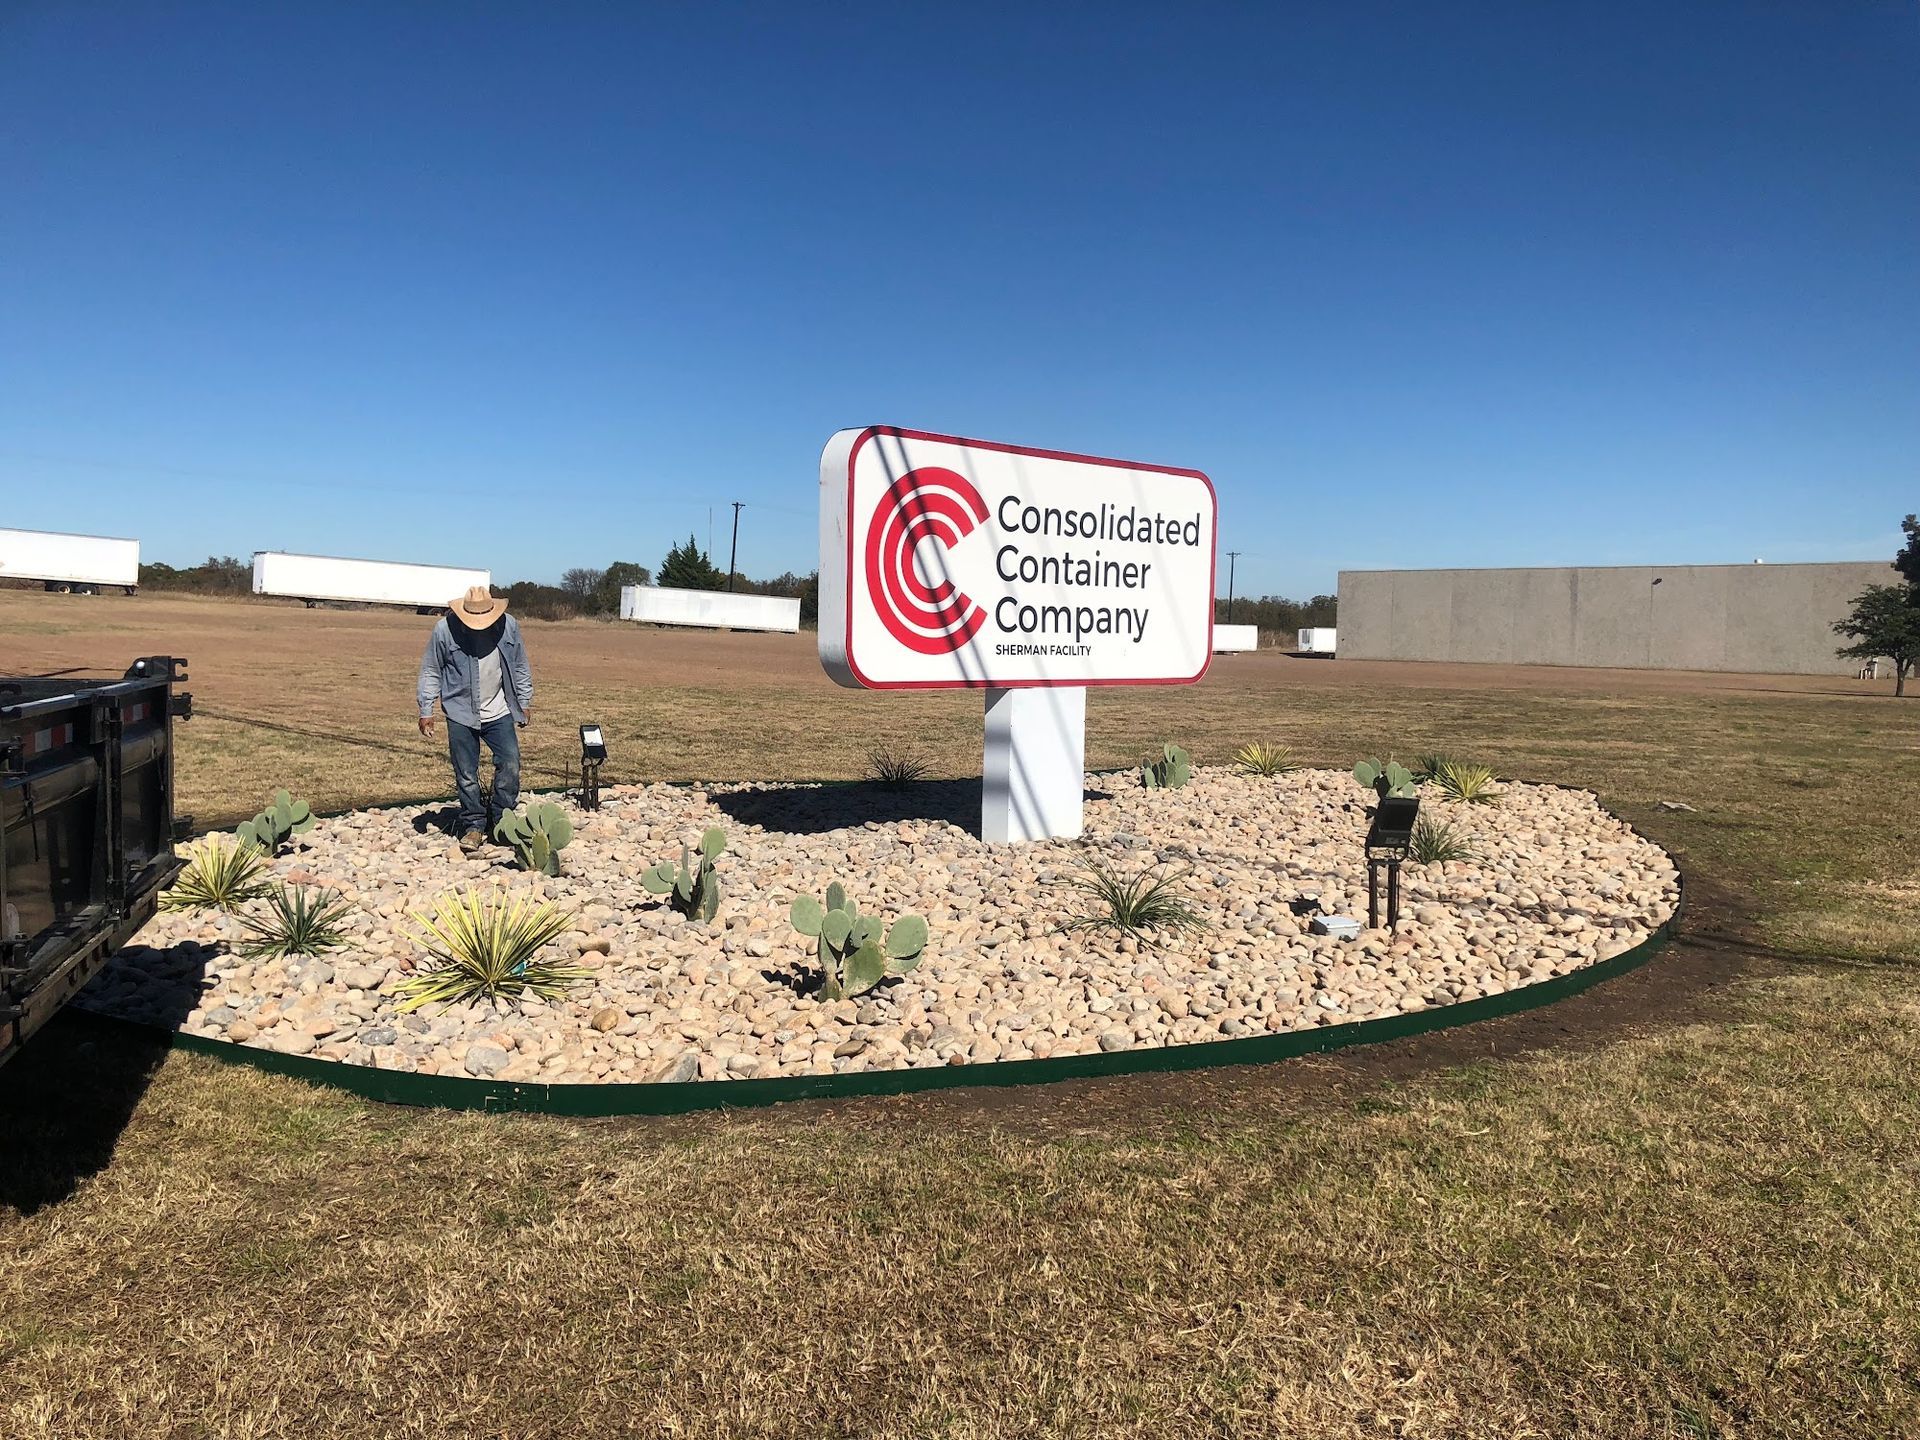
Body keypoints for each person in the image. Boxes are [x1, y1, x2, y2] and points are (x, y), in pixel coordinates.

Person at [416, 585, 534, 852]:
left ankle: (502, 818)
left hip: (499, 709)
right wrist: (426, 710)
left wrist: (524, 701)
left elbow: (519, 664)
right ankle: (474, 825)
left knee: (510, 762)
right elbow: (431, 670)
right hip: (460, 711)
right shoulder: (444, 630)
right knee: (466, 772)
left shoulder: (509, 626)